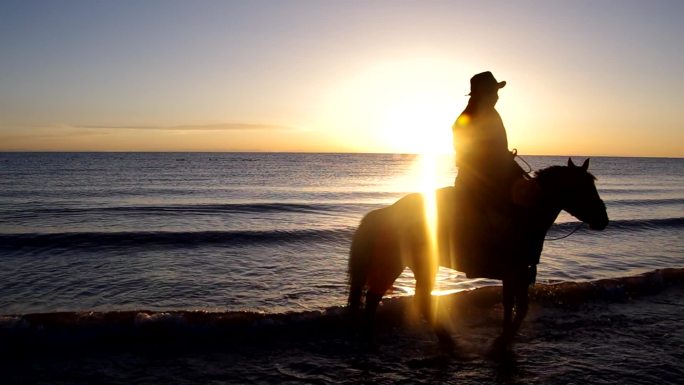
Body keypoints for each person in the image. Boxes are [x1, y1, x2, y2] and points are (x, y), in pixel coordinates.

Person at [452, 71, 525, 208]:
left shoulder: (488, 112)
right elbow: (470, 153)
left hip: (495, 173)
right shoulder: (471, 116)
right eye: (494, 92)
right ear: (483, 93)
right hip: (479, 179)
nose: (497, 97)